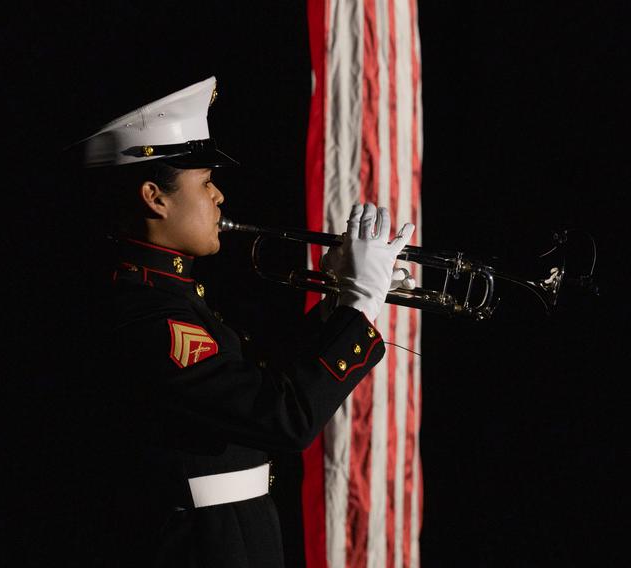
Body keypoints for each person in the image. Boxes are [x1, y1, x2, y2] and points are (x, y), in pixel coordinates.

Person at [80, 76, 414, 567]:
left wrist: (338, 304)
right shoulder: (147, 314)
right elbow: (281, 417)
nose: (218, 197)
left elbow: (258, 380)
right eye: (205, 182)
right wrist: (359, 305)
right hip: (203, 544)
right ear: (155, 197)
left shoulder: (175, 295)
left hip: (231, 532)